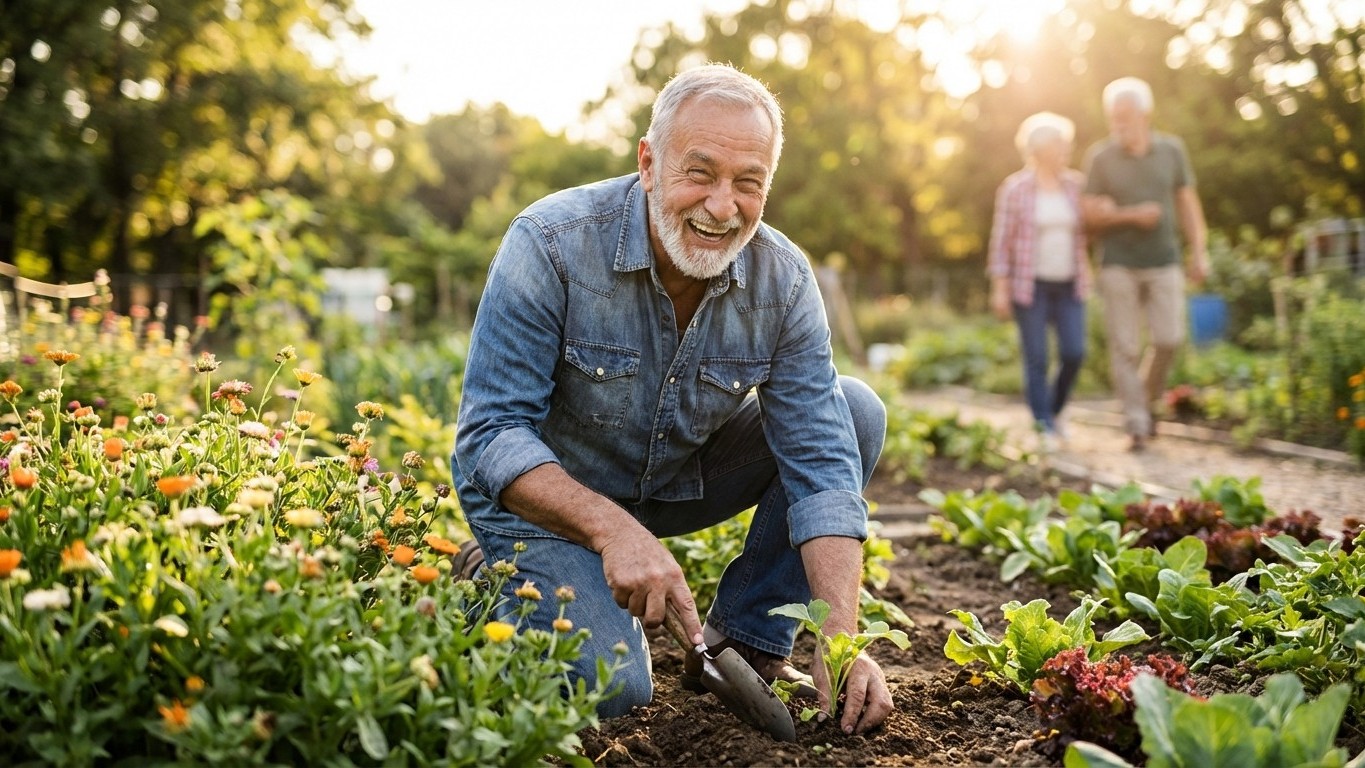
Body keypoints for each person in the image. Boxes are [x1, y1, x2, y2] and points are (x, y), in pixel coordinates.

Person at [451, 63, 893, 735]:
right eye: (700, 173)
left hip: (669, 482)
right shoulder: (551, 244)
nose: (723, 206)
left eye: (749, 183)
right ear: (649, 162)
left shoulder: (783, 280)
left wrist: (840, 636)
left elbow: (822, 463)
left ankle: (743, 641)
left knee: (852, 411)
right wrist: (610, 530)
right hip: (542, 499)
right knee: (612, 692)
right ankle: (493, 571)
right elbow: (489, 436)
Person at [1081, 77, 1208, 452]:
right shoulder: (1100, 157)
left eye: (1124, 115)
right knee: (1125, 346)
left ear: (1144, 113)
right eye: (1112, 116)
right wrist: (1132, 215)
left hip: (1165, 259)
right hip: (1118, 262)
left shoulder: (1171, 150)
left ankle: (1145, 402)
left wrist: (1199, 250)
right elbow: (1088, 217)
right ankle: (1136, 421)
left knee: (1169, 338)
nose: (1117, 123)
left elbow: (1187, 203)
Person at [987, 112, 1091, 452]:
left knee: (1075, 351)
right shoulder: (1016, 188)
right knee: (1036, 356)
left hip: (1069, 284)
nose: (1066, 150)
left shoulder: (1076, 185)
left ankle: (1055, 412)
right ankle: (1043, 423)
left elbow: (1091, 229)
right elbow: (1001, 242)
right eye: (1060, 144)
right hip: (1029, 286)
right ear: (1041, 149)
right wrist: (1000, 288)